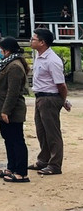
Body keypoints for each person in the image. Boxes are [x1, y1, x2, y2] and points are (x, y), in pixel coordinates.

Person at [29, 28, 71, 175]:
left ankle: (55, 165)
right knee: (41, 131)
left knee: (52, 132)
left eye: (34, 39)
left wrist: (63, 100)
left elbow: (61, 84)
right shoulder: (39, 56)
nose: (31, 41)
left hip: (49, 98)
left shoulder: (52, 60)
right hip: (40, 97)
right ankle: (43, 160)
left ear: (42, 42)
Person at [0, 36, 30, 183]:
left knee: (17, 140)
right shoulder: (7, 64)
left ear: (7, 50)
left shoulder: (15, 66)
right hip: (3, 108)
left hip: (12, 110)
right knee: (9, 139)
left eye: (0, 48)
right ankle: (11, 168)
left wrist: (6, 111)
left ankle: (21, 173)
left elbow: (13, 92)